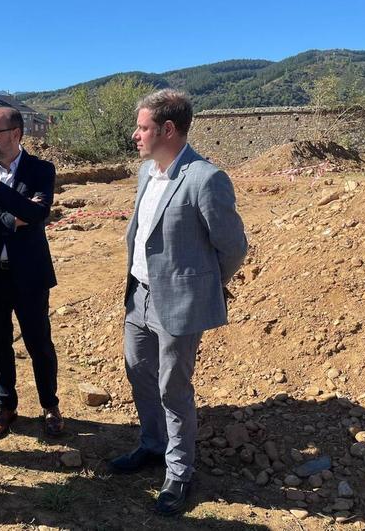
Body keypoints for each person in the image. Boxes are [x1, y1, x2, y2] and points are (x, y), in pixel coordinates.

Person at [110, 89, 248, 515]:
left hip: (177, 305)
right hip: (138, 297)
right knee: (139, 374)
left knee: (173, 388)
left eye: (143, 127)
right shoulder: (145, 173)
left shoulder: (205, 178)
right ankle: (152, 445)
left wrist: (200, 287)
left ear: (168, 129)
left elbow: (234, 247)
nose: (135, 135)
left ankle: (179, 470)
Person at [0, 107, 63, 440]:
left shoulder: (40, 170)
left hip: (30, 274)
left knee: (39, 343)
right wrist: (12, 219)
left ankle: (49, 404)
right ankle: (6, 406)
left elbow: (38, 213)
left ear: (16, 134)